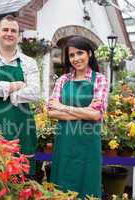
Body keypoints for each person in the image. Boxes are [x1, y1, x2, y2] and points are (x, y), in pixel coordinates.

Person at [0, 15, 40, 175]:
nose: (9, 33)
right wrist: (17, 85)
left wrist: (4, 91)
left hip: (22, 127)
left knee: (22, 179)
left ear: (18, 36)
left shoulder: (29, 62)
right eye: (5, 29)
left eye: (14, 31)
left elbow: (35, 93)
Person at [48, 36, 108, 198]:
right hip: (64, 143)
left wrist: (64, 107)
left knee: (87, 187)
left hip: (88, 144)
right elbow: (51, 111)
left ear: (89, 54)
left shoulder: (99, 80)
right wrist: (84, 112)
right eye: (71, 55)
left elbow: (96, 114)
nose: (76, 58)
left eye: (79, 53)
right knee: (61, 187)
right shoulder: (63, 80)